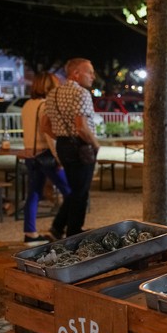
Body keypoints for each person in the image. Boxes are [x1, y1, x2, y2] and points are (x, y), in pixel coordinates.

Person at [42, 58, 99, 239]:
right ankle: (74, 232)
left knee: (76, 189)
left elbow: (45, 126)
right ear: (76, 73)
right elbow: (81, 127)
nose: (93, 76)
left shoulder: (53, 94)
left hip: (63, 146)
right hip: (80, 147)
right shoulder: (81, 93)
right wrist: (95, 144)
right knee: (81, 192)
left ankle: (58, 227)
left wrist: (61, 137)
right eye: (89, 72)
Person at [21, 72, 71, 245]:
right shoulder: (45, 105)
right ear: (49, 86)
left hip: (30, 155)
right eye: (55, 84)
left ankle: (30, 233)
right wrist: (59, 159)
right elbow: (49, 136)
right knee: (70, 192)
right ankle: (61, 229)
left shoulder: (27, 104)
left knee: (33, 194)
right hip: (45, 155)